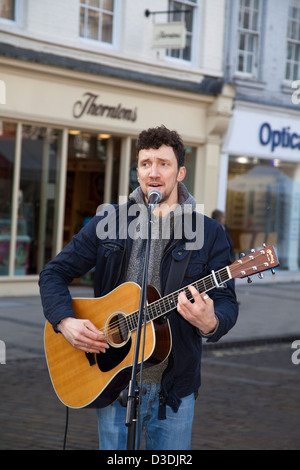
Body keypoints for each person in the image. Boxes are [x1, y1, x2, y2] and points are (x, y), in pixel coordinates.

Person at [39, 125, 238, 450]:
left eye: (163, 163)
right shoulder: (110, 221)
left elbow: (227, 302)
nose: (153, 173)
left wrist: (212, 322)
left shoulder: (210, 232)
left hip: (173, 390)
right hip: (112, 380)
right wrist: (65, 321)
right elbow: (54, 273)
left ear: (180, 172)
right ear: (137, 171)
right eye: (145, 163)